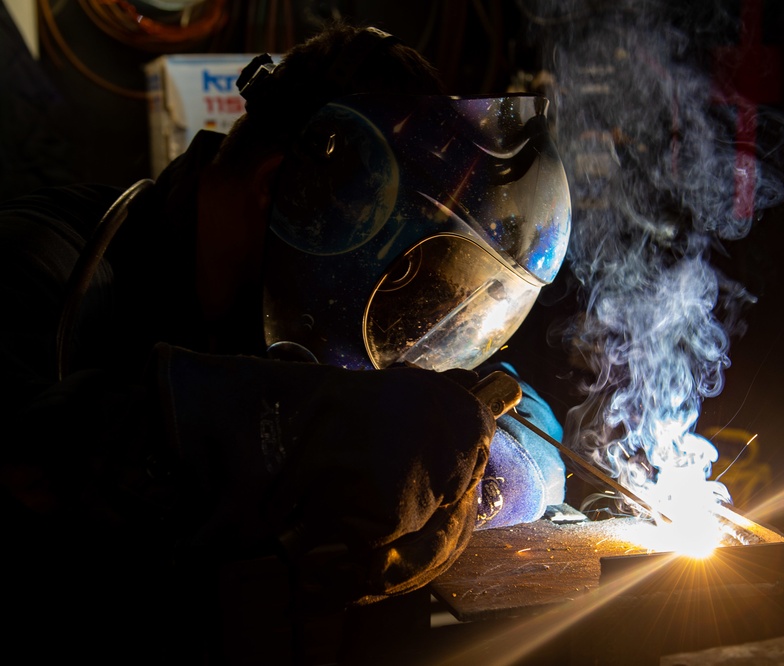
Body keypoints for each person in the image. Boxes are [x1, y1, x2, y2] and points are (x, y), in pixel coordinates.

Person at [0, 19, 570, 662]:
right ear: (288, 191)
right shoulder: (42, 266)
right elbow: (34, 451)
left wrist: (489, 475)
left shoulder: (323, 321)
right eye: (402, 275)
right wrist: (294, 435)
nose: (404, 324)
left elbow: (513, 408)